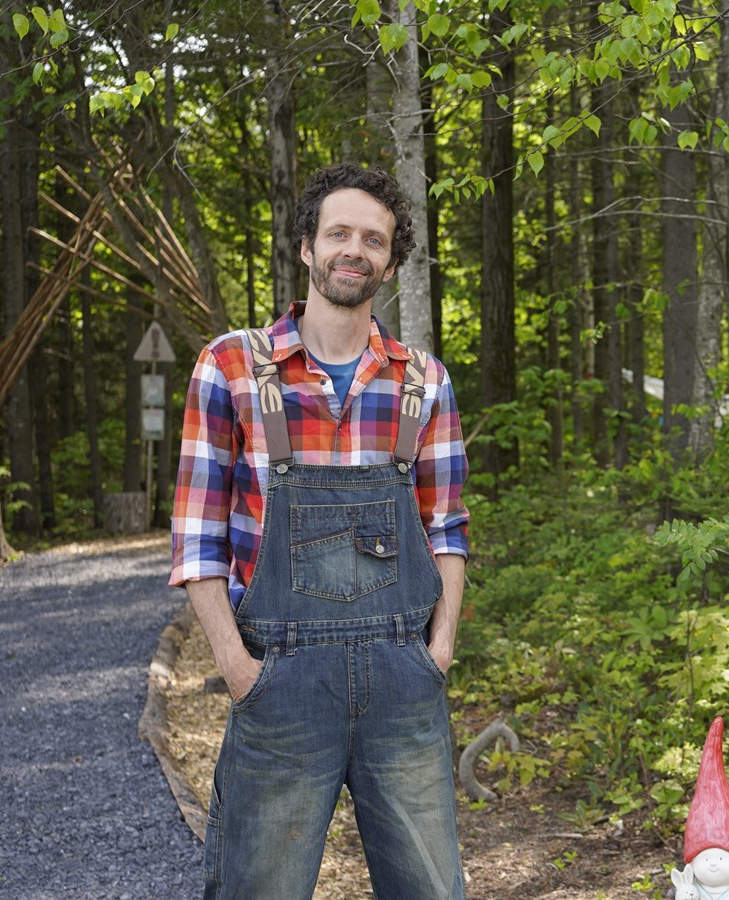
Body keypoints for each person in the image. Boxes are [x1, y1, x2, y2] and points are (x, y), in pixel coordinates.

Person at [170, 162, 469, 899]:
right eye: (339, 233)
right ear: (307, 245)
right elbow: (197, 538)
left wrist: (439, 650)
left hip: (403, 684)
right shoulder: (231, 366)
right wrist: (238, 668)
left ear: (390, 262)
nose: (353, 250)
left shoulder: (423, 382)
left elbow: (447, 530)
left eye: (374, 239)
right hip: (279, 681)